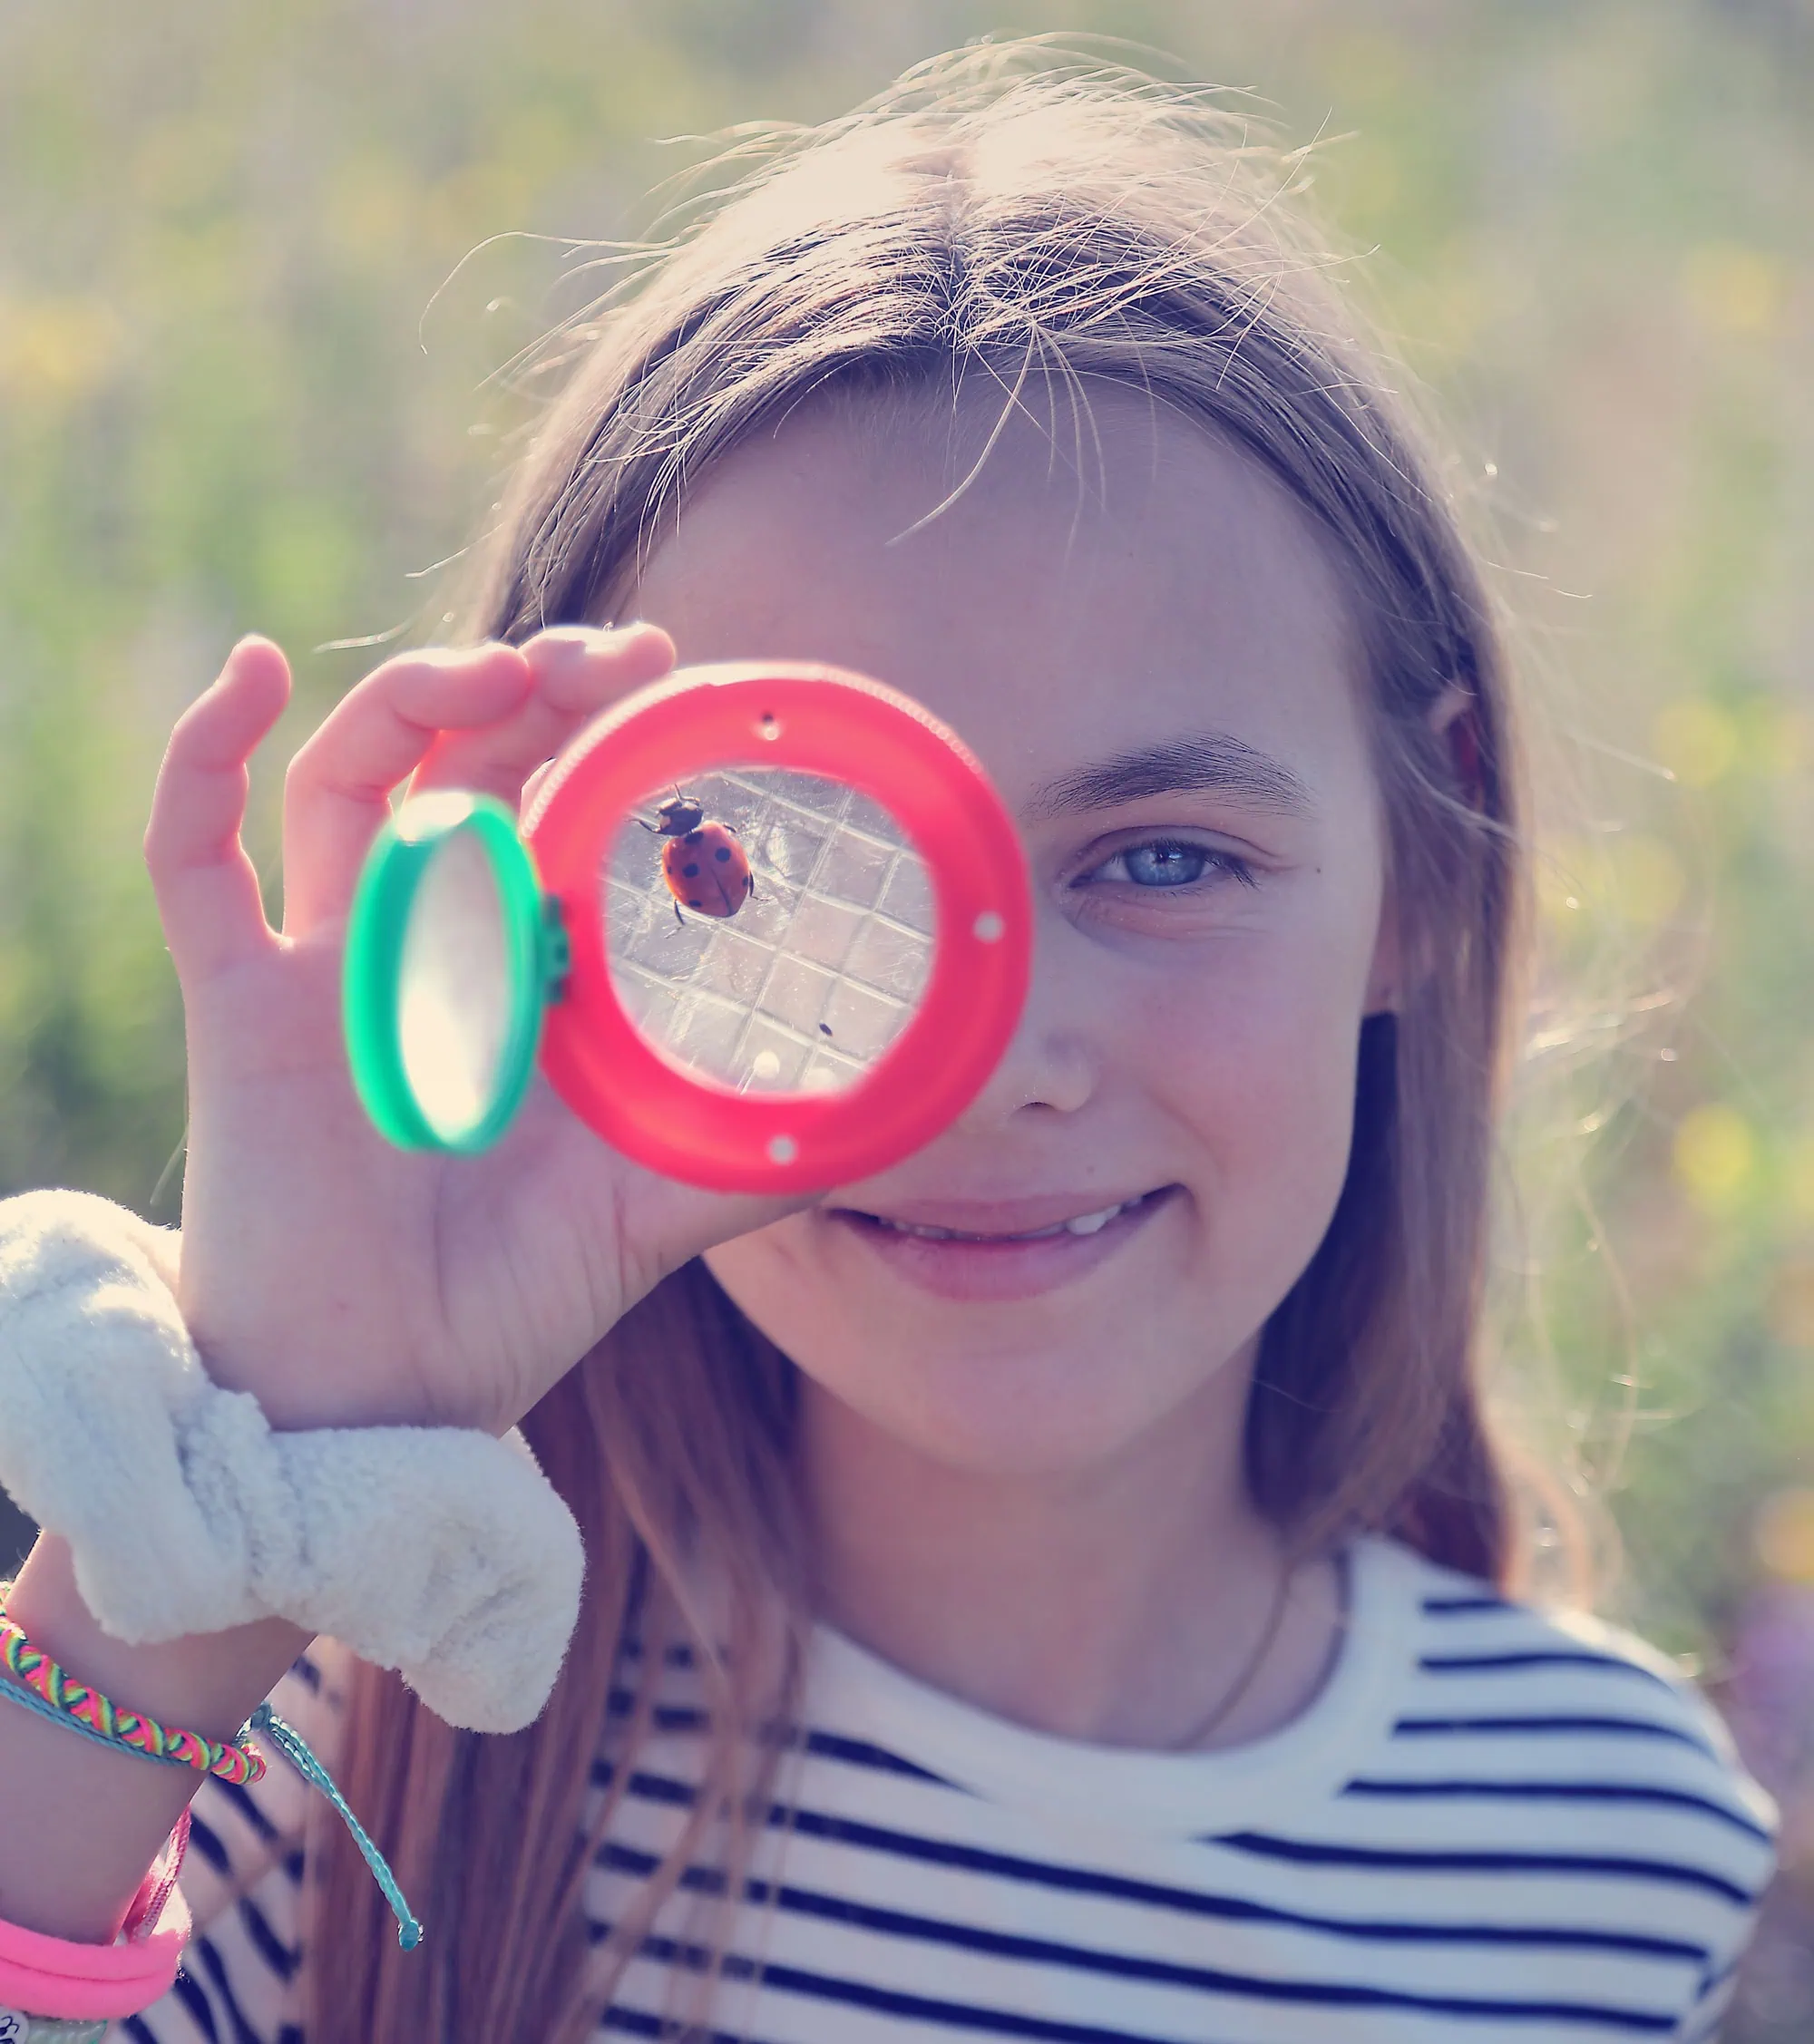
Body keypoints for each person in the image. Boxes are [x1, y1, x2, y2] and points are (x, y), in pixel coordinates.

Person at [0, 45, 1777, 2044]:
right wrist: (250, 1502)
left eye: (1165, 855)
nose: (991, 1061)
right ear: (547, 917)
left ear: (1423, 872)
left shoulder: (1607, 1854)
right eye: (777, 875)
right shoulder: (295, 1783)